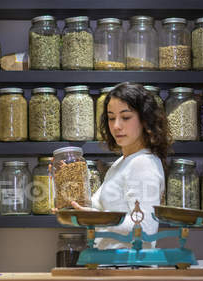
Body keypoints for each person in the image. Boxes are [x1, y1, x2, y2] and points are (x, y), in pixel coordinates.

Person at [72, 82, 171, 249]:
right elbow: (97, 210)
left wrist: (100, 219)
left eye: (125, 117)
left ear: (145, 120)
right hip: (111, 265)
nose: (116, 126)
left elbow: (145, 228)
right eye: (111, 118)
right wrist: (63, 178)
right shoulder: (122, 163)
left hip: (130, 269)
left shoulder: (143, 163)